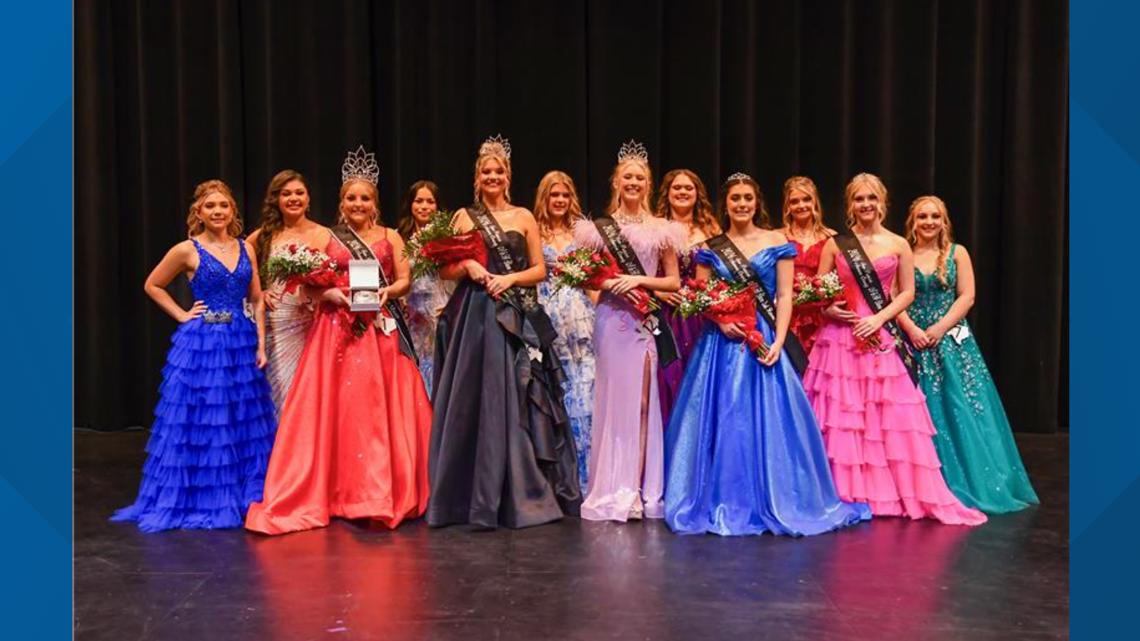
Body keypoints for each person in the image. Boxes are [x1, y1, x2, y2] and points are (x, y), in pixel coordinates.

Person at [664, 172, 870, 536]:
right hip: (721, 342)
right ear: (725, 204)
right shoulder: (712, 247)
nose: (741, 204)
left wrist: (777, 340)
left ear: (756, 202)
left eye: (747, 198)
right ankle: (723, 497)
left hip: (763, 336)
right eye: (735, 199)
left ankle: (778, 496)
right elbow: (700, 294)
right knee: (725, 417)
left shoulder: (776, 241)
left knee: (770, 419)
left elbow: (786, 296)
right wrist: (720, 319)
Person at [245, 146, 431, 535]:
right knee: (340, 410)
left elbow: (403, 280)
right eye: (350, 198)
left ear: (374, 202)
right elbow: (310, 284)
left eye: (364, 198)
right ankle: (338, 491)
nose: (357, 204)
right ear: (341, 202)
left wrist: (388, 293)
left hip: (380, 327)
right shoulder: (327, 238)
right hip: (336, 329)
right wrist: (326, 294)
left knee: (378, 412)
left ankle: (377, 493)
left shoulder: (391, 236)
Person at [802, 173, 986, 525]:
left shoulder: (898, 243)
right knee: (843, 418)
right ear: (850, 204)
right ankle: (838, 490)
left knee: (882, 418)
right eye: (859, 199)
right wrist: (827, 308)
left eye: (872, 198)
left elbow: (906, 293)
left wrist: (878, 318)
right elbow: (818, 291)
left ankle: (884, 493)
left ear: (882, 202)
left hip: (878, 333)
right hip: (838, 338)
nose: (866, 204)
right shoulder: (835, 244)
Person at [427, 135, 581, 529]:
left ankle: (518, 490)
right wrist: (469, 269)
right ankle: (469, 496)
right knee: (475, 397)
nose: (492, 176)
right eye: (486, 172)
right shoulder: (461, 216)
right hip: (474, 315)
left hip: (513, 310)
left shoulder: (524, 216)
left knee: (516, 394)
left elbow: (539, 270)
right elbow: (445, 269)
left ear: (507, 176)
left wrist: (506, 278)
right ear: (477, 177)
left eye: (498, 171)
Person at [112, 180, 276, 532]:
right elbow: (152, 284)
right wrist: (183, 313)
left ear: (232, 211)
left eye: (224, 206)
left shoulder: (245, 248)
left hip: (241, 339)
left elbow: (258, 298)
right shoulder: (186, 250)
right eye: (210, 206)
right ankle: (204, 496)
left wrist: (262, 343)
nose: (218, 211)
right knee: (205, 420)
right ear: (198, 212)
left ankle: (243, 493)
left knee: (241, 417)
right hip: (203, 341)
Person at [897, 195, 1039, 513]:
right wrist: (912, 330)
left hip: (949, 342)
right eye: (922, 217)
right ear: (913, 222)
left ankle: (966, 481)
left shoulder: (957, 253)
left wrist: (938, 329)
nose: (929, 222)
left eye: (935, 216)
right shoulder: (903, 253)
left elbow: (967, 296)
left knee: (959, 406)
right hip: (913, 341)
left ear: (944, 221)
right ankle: (919, 486)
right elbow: (895, 297)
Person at [574, 140, 685, 522]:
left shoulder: (663, 230)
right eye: (627, 177)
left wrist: (636, 279)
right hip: (610, 321)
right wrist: (604, 286)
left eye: (640, 177)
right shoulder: (596, 229)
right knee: (611, 402)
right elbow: (587, 279)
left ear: (648, 184)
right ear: (616, 182)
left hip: (644, 322)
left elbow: (673, 283)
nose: (633, 182)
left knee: (642, 403)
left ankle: (639, 488)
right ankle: (612, 487)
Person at [534, 170, 597, 494]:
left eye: (565, 195)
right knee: (555, 393)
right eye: (553, 195)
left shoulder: (583, 233)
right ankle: (560, 481)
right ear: (544, 198)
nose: (559, 201)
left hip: (581, 319)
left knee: (586, 393)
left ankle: (588, 478)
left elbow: (595, 282)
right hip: (548, 317)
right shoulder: (534, 231)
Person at [247, 170, 330, 411]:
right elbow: (238, 267)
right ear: (276, 199)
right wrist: (259, 292)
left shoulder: (325, 234)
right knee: (281, 390)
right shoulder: (265, 235)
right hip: (278, 324)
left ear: (308, 198)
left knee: (312, 390)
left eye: (299, 193)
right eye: (286, 194)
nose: (293, 198)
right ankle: (283, 446)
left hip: (314, 322)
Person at [654, 169, 721, 424]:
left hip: (699, 316)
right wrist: (659, 291)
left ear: (697, 194)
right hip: (664, 312)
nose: (682, 192)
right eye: (677, 188)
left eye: (688, 188)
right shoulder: (656, 226)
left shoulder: (711, 228)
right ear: (667, 194)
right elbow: (641, 270)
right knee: (667, 376)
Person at [397, 180, 454, 395]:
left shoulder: (448, 236)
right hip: (410, 314)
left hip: (440, 310)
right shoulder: (399, 237)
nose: (424, 206)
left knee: (440, 361)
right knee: (414, 364)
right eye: (418, 201)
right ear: (410, 205)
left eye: (430, 201)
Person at [775, 176, 837, 355]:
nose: (801, 205)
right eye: (794, 201)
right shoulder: (776, 238)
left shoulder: (831, 237)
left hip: (821, 316)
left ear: (815, 201)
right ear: (787, 206)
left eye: (806, 199)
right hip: (786, 314)